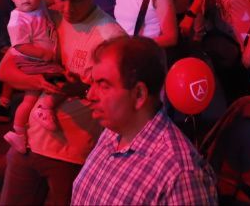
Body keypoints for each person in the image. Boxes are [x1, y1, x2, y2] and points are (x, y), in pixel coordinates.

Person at [0, 0, 125, 205]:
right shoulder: (45, 16)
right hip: (27, 145)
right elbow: (4, 72)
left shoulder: (111, 38)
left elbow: (119, 105)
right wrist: (41, 82)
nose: (66, 9)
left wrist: (81, 90)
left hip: (71, 156)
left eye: (75, 0)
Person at [71, 36, 218, 206]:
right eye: (93, 83)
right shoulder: (112, 133)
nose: (90, 95)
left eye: (104, 85)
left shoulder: (180, 174)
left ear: (139, 94)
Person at [1, 0, 64, 155]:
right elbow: (20, 45)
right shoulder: (17, 20)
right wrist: (44, 54)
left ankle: (18, 133)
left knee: (30, 99)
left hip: (39, 60)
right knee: (59, 80)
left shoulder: (40, 7)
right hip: (32, 62)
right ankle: (45, 109)